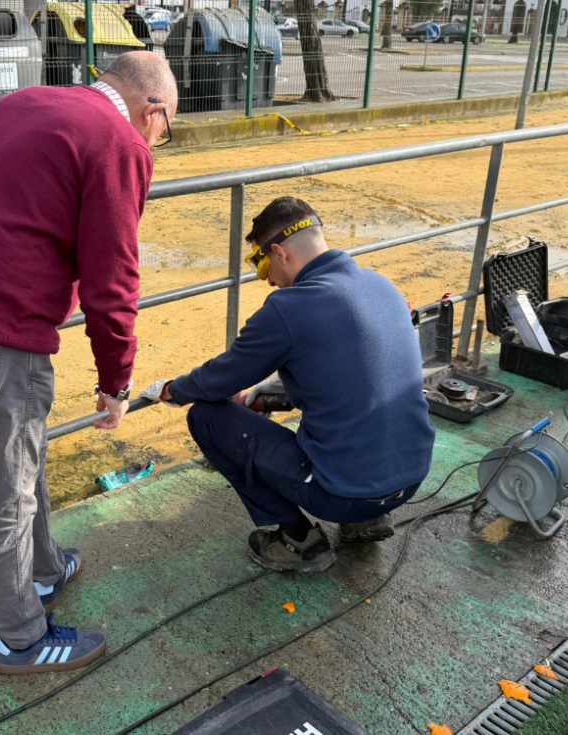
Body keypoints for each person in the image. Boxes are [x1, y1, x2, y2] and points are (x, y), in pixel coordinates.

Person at [0, 52, 178, 674]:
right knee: (5, 492)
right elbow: (114, 282)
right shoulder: (120, 144)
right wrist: (116, 382)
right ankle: (21, 639)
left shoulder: (30, 100)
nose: (159, 143)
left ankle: (47, 567)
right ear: (151, 109)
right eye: (166, 130)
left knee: (21, 455)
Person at [144, 197, 435, 573]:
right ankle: (367, 520)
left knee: (206, 418)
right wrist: (260, 394)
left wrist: (172, 389)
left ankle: (299, 540)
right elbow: (340, 375)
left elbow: (217, 380)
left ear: (280, 253)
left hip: (343, 493)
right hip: (409, 480)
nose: (265, 277)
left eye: (262, 264)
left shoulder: (287, 307)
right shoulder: (382, 286)